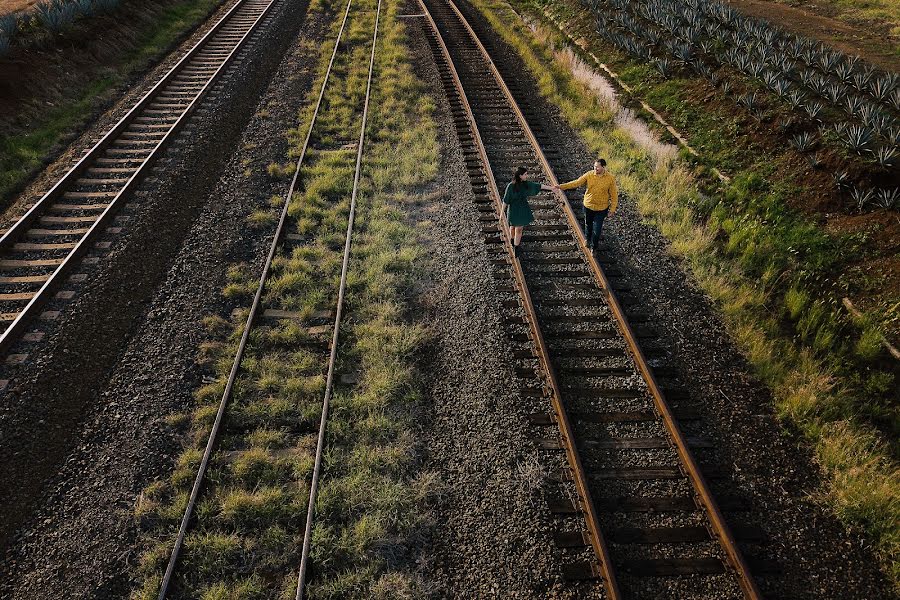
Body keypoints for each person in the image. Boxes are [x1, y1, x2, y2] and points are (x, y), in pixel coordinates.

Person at [553, 158, 618, 253]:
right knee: (588, 224)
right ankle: (587, 239)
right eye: (594, 166)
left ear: (604, 167)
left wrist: (612, 210)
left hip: (601, 209)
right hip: (588, 206)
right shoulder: (589, 175)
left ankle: (594, 247)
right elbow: (576, 183)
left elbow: (614, 195)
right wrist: (561, 186)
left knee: (597, 230)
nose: (595, 169)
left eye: (598, 167)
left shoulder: (610, 178)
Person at [502, 166, 554, 258]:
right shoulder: (510, 186)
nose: (527, 176)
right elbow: (506, 200)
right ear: (520, 176)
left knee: (519, 229)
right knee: (512, 227)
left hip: (522, 209)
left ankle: (516, 247)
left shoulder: (526, 184)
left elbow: (538, 186)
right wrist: (502, 213)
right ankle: (512, 239)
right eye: (525, 174)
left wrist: (551, 188)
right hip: (513, 209)